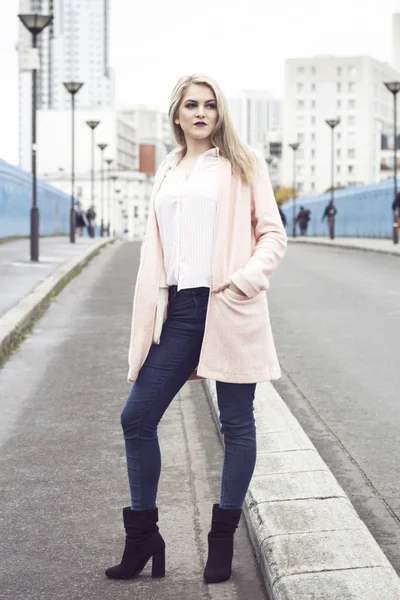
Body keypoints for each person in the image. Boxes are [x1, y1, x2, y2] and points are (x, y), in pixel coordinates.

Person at [105, 74, 287, 584]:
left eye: (210, 105)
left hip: (227, 303)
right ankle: (144, 538)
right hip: (180, 312)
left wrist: (246, 281)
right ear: (177, 115)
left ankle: (222, 539)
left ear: (220, 113)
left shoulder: (243, 164)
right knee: (136, 418)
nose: (202, 112)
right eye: (192, 105)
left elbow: (272, 233)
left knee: (237, 423)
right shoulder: (166, 171)